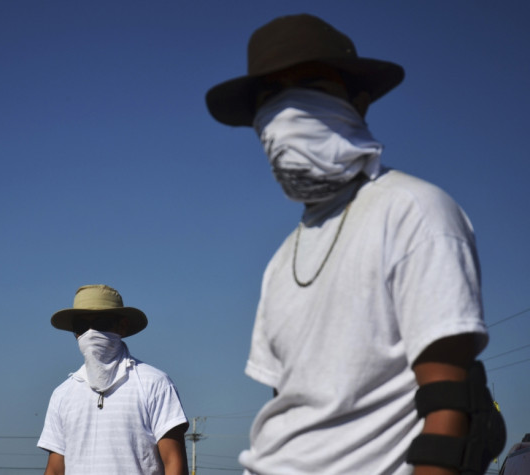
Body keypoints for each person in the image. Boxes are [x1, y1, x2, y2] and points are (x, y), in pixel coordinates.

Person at [205, 14, 504, 475]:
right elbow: (288, 407)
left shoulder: (413, 210)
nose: (287, 112)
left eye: (308, 86)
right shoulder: (281, 260)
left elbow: (451, 401)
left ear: (358, 102)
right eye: (271, 96)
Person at [37, 284, 190, 475]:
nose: (91, 333)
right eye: (81, 326)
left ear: (122, 326)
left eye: (101, 323)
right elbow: (55, 469)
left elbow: (174, 463)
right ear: (75, 333)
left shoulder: (154, 383)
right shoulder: (62, 394)